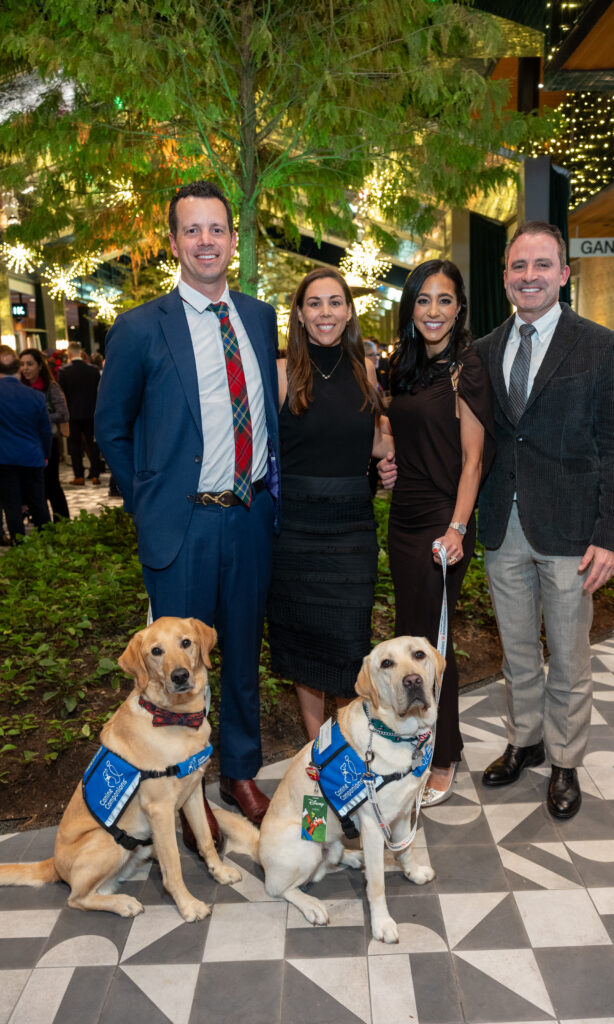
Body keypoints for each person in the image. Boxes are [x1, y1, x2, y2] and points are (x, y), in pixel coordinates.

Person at [95, 180, 281, 829]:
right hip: (182, 526)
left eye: (216, 229)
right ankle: (183, 782)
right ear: (173, 242)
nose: (206, 240)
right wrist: (146, 503)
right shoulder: (141, 327)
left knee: (239, 656)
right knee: (176, 668)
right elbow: (110, 427)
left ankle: (239, 773)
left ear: (233, 239)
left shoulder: (259, 318)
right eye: (192, 230)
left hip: (250, 518)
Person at [475, 220, 614, 820]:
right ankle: (526, 741)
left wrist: (611, 535)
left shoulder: (599, 346)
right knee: (517, 652)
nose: (529, 277)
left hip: (572, 531)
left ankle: (565, 760)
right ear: (507, 276)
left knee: (569, 656)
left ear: (563, 275)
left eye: (542, 265)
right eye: (519, 267)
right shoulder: (486, 349)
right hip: (503, 525)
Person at [382, 259, 495, 806]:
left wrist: (457, 528)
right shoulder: (404, 368)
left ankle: (444, 752)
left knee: (433, 645)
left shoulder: (465, 369)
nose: (433, 311)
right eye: (423, 300)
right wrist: (388, 467)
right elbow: (403, 440)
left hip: (441, 525)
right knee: (411, 638)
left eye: (445, 300)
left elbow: (473, 461)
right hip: (401, 519)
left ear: (459, 309)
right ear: (411, 308)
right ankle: (418, 736)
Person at [267, 268, 393, 739]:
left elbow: (376, 438)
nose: (325, 312)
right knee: (306, 654)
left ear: (348, 311)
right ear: (299, 314)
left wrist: (389, 458)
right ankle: (320, 757)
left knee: (348, 648)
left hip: (352, 532)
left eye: (335, 302)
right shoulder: (281, 373)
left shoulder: (365, 369)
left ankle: (351, 757)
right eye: (315, 303)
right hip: (296, 533)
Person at [0, 345, 52, 541]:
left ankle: (20, 547)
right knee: (38, 503)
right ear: (18, 369)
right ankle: (49, 543)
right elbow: (45, 432)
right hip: (32, 456)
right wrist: (45, 455)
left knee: (11, 505)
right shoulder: (35, 396)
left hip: (3, 457)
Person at [19, 348, 71, 521]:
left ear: (40, 366)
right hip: (26, 444)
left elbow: (63, 414)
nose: (25, 368)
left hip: (48, 441)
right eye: (22, 364)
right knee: (32, 485)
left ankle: (61, 521)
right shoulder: (19, 388)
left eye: (30, 364)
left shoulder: (50, 387)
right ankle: (40, 520)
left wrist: (41, 417)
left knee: (51, 484)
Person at [58, 343, 103, 485]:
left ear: (69, 354)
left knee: (75, 446)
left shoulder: (64, 371)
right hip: (91, 412)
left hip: (72, 413)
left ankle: (79, 476)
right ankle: (95, 474)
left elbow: (62, 394)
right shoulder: (93, 370)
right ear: (82, 353)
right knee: (92, 444)